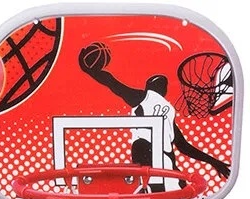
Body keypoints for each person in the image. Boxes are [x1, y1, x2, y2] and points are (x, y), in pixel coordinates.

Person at [78, 49, 231, 189]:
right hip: (166, 160)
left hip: (145, 152)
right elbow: (184, 147)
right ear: (164, 90)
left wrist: (92, 71)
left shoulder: (142, 97)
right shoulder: (169, 112)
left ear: (148, 88)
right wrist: (214, 161)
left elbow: (113, 83)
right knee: (177, 190)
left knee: (147, 188)